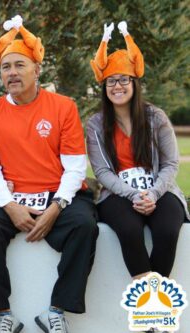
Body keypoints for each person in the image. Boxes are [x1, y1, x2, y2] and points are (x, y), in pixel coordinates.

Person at [0, 15, 98, 333]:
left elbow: (74, 168)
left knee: (85, 226)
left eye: (20, 65)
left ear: (36, 69)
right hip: (13, 195)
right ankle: (2, 313)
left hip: (57, 194)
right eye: (6, 67)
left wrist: (56, 208)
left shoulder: (63, 107)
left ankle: (56, 311)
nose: (12, 73)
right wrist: (11, 206)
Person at [87, 22, 189, 281]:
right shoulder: (96, 124)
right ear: (104, 86)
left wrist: (153, 193)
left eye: (123, 80)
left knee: (167, 229)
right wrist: (133, 194)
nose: (117, 86)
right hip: (118, 193)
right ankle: (146, 298)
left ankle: (155, 302)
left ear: (134, 83)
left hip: (159, 189)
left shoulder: (156, 117)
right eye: (111, 81)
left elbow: (170, 164)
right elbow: (101, 170)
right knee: (129, 230)